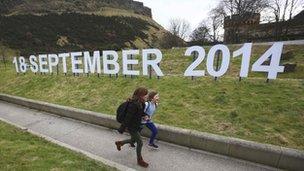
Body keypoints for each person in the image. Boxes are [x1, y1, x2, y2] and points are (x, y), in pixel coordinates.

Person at [115, 87, 149, 168]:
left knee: (133, 139)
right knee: (140, 142)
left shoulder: (142, 103)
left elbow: (141, 112)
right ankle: (140, 160)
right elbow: (128, 118)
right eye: (145, 95)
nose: (146, 96)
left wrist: (145, 116)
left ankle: (120, 143)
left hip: (137, 125)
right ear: (140, 95)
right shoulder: (133, 105)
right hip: (131, 127)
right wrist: (121, 129)